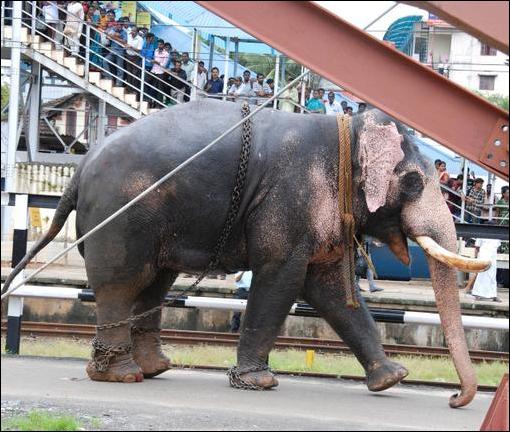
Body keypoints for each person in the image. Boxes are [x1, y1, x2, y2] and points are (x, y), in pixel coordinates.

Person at [103, 20, 127, 87]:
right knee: (105, 61)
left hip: (120, 52)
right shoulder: (113, 29)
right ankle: (109, 78)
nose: (119, 26)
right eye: (117, 24)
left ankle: (119, 83)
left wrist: (115, 37)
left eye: (120, 25)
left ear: (122, 26)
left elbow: (124, 41)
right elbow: (107, 36)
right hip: (112, 51)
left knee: (119, 68)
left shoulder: (124, 32)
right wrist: (114, 35)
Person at [148, 39, 169, 108]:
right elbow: (153, 60)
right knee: (151, 87)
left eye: (160, 44)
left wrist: (156, 62)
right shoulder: (156, 51)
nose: (159, 46)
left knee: (160, 89)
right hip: (153, 71)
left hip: (160, 72)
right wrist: (153, 62)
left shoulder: (166, 53)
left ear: (163, 45)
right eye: (158, 44)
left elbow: (164, 65)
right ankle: (150, 102)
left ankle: (158, 104)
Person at [125, 25, 143, 97]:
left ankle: (134, 90)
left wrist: (131, 47)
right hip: (128, 55)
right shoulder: (129, 35)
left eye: (134, 31)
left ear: (137, 32)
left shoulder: (140, 39)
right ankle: (129, 89)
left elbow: (139, 50)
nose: (132, 32)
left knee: (135, 74)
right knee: (129, 73)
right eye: (132, 30)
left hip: (136, 57)